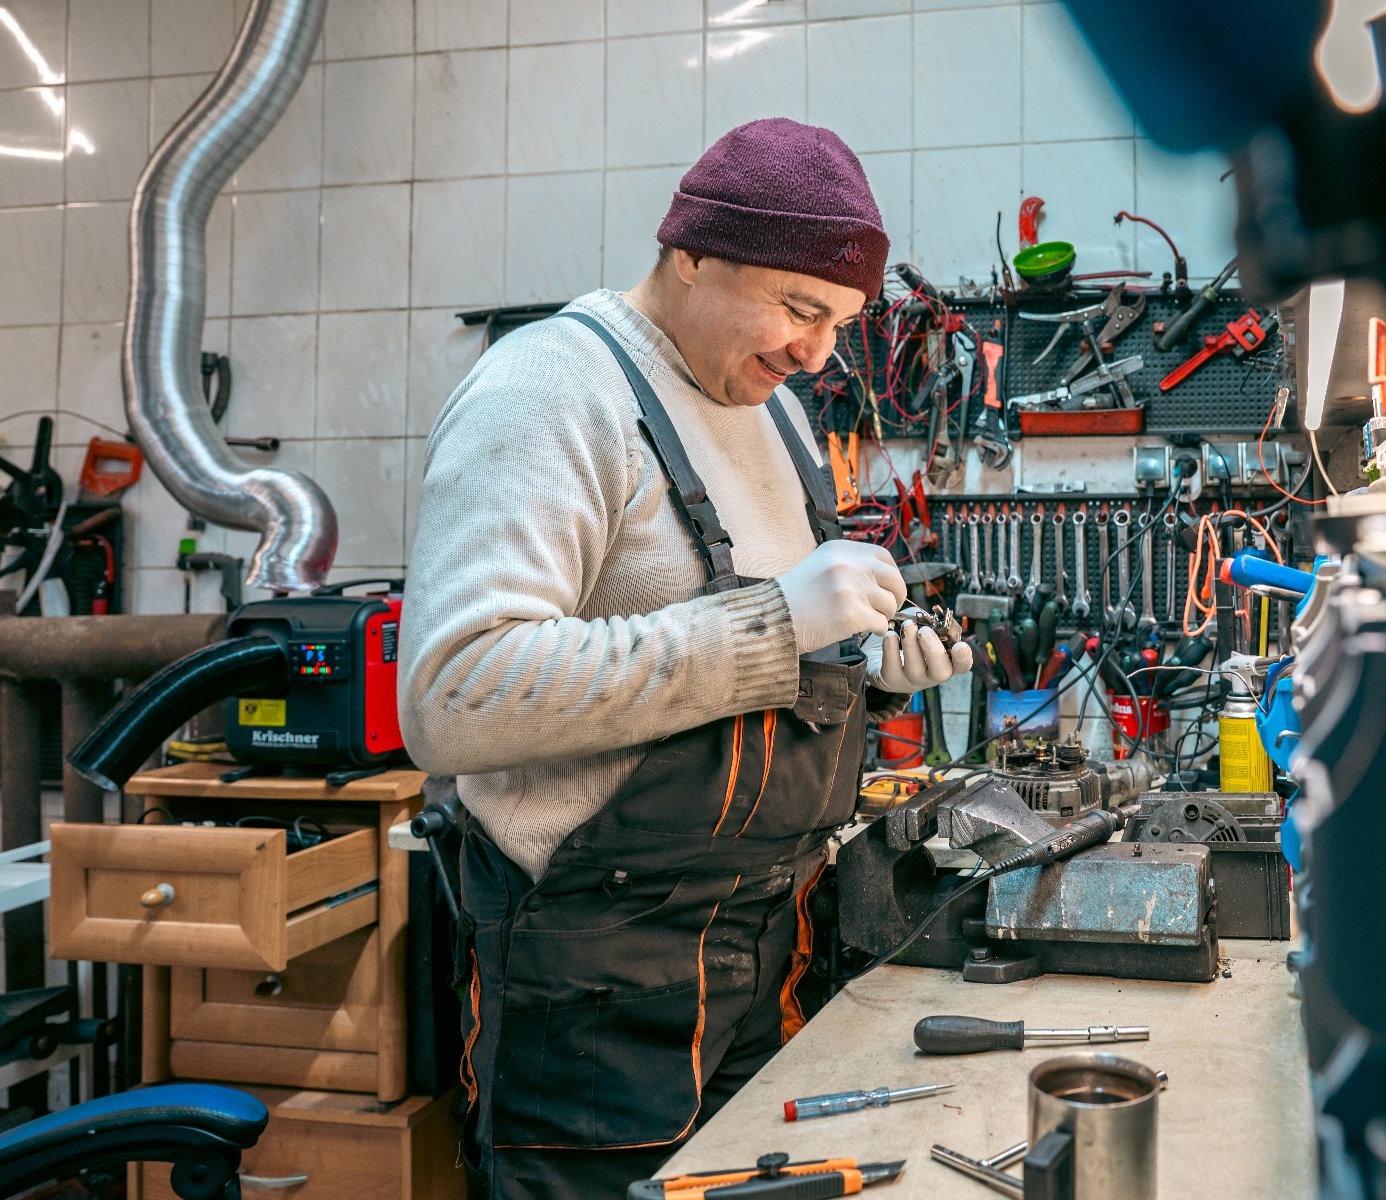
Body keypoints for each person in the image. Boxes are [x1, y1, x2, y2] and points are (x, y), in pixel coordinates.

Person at [397, 118, 972, 1199]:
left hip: (769, 946)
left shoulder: (784, 418)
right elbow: (453, 693)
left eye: (840, 324)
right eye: (799, 309)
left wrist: (861, 660)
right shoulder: (551, 393)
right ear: (691, 253)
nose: (817, 352)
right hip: (597, 984)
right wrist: (770, 626)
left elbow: (755, 654)